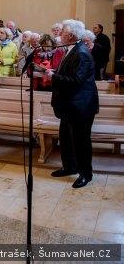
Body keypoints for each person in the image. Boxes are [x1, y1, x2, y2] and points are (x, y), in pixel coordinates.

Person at [46, 20, 99, 189]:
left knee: (81, 141)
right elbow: (69, 73)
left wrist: (53, 76)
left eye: (62, 31)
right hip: (69, 104)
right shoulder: (71, 49)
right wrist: (55, 73)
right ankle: (70, 167)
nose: (60, 33)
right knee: (66, 138)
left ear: (70, 35)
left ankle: (86, 174)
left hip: (80, 105)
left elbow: (76, 80)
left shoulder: (81, 52)